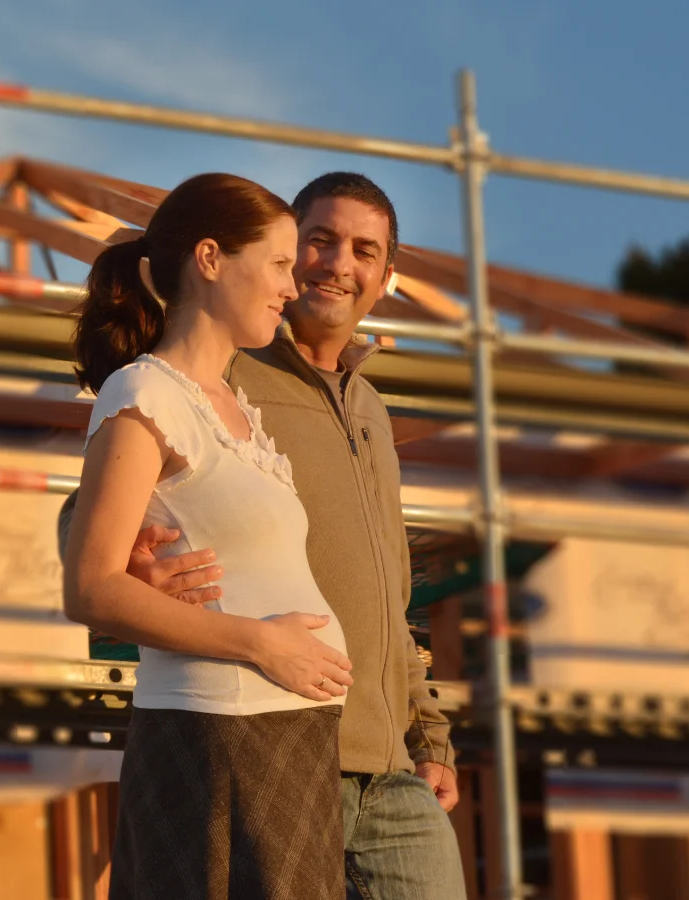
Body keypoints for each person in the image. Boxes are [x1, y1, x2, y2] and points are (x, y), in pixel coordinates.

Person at [58, 172, 467, 900]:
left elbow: (390, 593)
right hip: (257, 734)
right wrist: (134, 567)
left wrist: (428, 735)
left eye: (364, 250)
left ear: (385, 276)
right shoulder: (211, 372)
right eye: (314, 244)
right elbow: (99, 528)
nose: (337, 264)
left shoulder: (365, 410)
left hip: (381, 762)